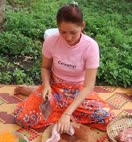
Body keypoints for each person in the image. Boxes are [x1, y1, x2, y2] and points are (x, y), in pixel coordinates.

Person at [13, 2, 114, 133]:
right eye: (63, 32)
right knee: (23, 118)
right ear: (58, 28)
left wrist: (67, 114)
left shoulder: (91, 46)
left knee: (107, 118)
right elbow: (45, 68)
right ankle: (41, 92)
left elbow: (88, 86)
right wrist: (47, 86)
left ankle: (44, 97)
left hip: (79, 90)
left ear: (82, 25)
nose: (68, 37)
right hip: (55, 88)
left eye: (73, 32)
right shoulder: (51, 41)